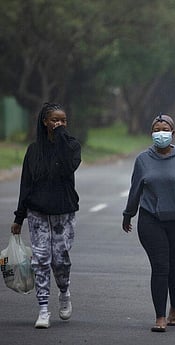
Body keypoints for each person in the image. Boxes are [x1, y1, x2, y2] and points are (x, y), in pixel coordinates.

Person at [122, 114, 175, 332]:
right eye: (157, 129)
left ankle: (174, 309)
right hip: (151, 220)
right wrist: (128, 214)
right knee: (160, 267)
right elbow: (135, 188)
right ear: (152, 133)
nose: (161, 133)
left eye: (165, 129)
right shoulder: (143, 159)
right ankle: (160, 317)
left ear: (173, 133)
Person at [11, 102, 81, 329]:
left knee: (60, 259)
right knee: (41, 259)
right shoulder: (33, 150)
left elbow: (69, 166)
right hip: (37, 212)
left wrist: (60, 135)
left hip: (64, 211)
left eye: (63, 120)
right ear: (44, 122)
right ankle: (43, 309)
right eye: (54, 120)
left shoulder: (71, 146)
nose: (59, 123)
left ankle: (64, 292)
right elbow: (26, 185)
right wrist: (19, 217)